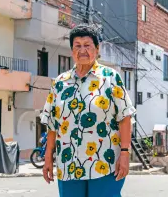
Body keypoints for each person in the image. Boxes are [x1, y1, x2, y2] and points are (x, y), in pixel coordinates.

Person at [39, 24, 136, 197]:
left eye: (87, 45)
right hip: (68, 163)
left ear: (97, 49)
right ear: (71, 50)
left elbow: (125, 117)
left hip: (105, 162)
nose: (82, 50)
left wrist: (125, 153)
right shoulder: (60, 83)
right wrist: (48, 157)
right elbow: (52, 124)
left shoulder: (111, 78)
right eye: (77, 45)